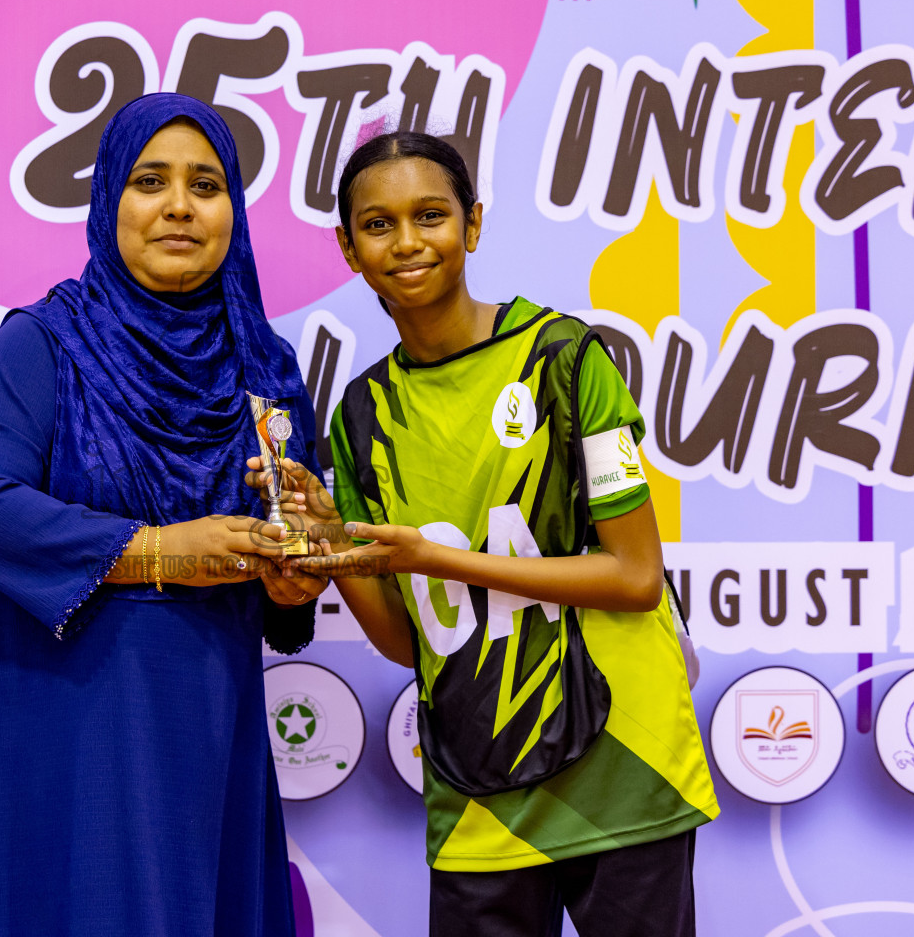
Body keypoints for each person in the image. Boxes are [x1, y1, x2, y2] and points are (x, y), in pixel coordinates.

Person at [255, 131, 719, 937]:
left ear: (472, 225)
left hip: (625, 769)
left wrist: (437, 557)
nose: (407, 242)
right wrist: (331, 542)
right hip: (477, 792)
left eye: (430, 216)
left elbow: (636, 575)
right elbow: (407, 642)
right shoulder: (361, 417)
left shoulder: (567, 360)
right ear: (347, 248)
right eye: (379, 224)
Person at [0, 93, 326, 937]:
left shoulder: (268, 372)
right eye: (151, 181)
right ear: (111, 202)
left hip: (209, 723)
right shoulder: (48, 342)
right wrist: (156, 550)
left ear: (233, 212)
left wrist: (296, 580)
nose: (180, 206)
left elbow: (285, 583)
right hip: (62, 714)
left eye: (206, 185)